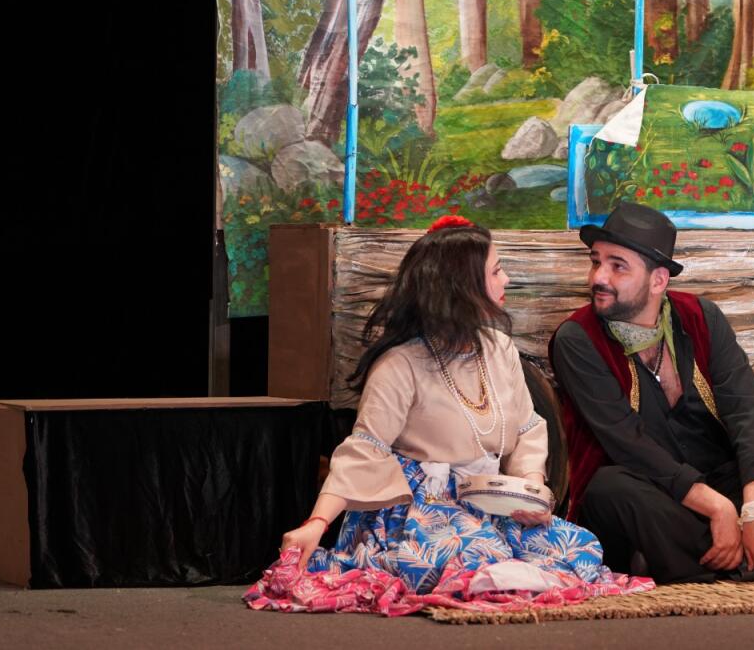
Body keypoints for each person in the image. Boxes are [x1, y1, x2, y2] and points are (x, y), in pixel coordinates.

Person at [245, 215, 650, 615]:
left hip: (490, 501)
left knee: (580, 549)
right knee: (472, 553)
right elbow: (364, 448)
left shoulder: (499, 348)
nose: (506, 280)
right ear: (462, 286)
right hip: (422, 509)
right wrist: (316, 523)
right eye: (496, 271)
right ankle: (497, 577)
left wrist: (529, 490)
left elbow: (527, 428)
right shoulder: (401, 364)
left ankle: (504, 577)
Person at [550, 202, 754, 585]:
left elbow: (746, 410)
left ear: (658, 281)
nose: (598, 277)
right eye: (596, 262)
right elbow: (628, 444)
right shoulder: (577, 338)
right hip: (648, 494)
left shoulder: (701, 317)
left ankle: (684, 556)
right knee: (609, 488)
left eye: (617, 266)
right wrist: (719, 509)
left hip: (716, 486)